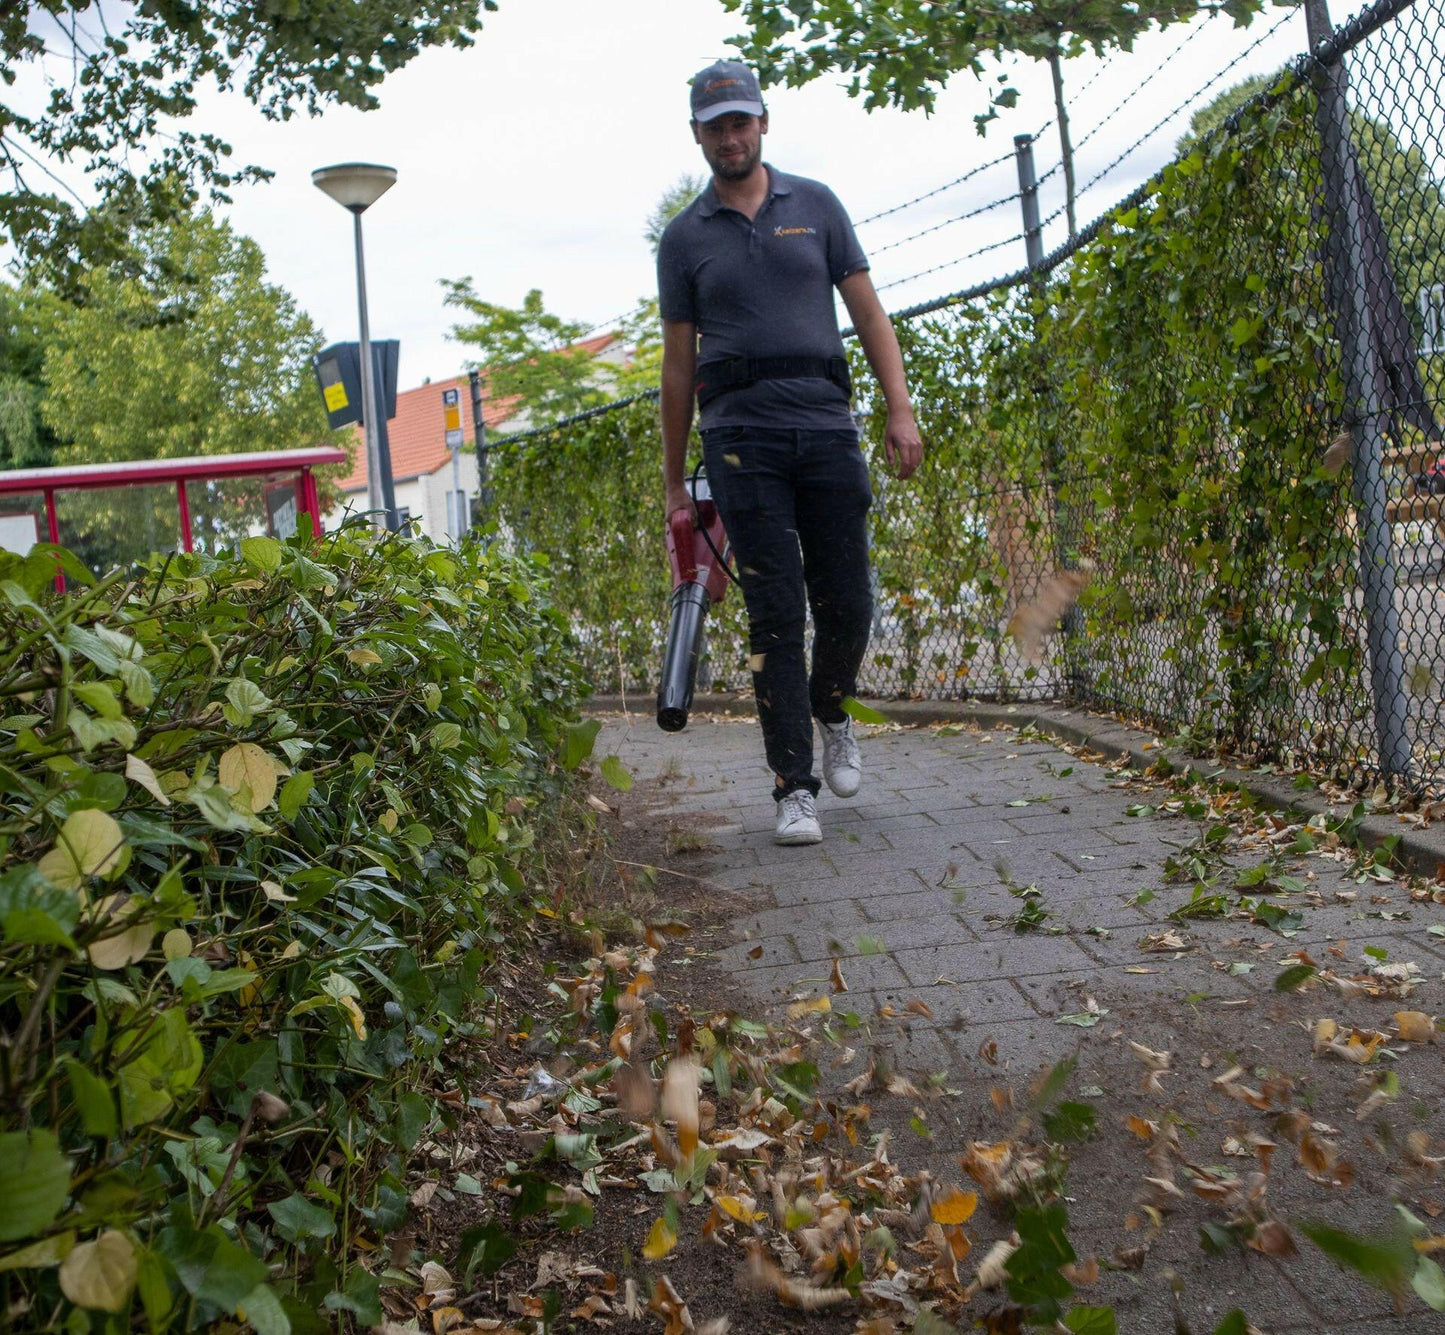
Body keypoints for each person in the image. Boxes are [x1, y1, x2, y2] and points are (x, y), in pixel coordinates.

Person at [657, 58, 923, 846]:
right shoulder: (682, 238)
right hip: (738, 438)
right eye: (715, 126)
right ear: (698, 136)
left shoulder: (817, 206)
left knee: (847, 598)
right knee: (775, 612)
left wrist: (899, 410)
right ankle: (791, 786)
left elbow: (869, 315)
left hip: (826, 423)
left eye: (740, 121)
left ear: (762, 122)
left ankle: (832, 706)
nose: (729, 136)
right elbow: (677, 364)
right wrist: (673, 478)